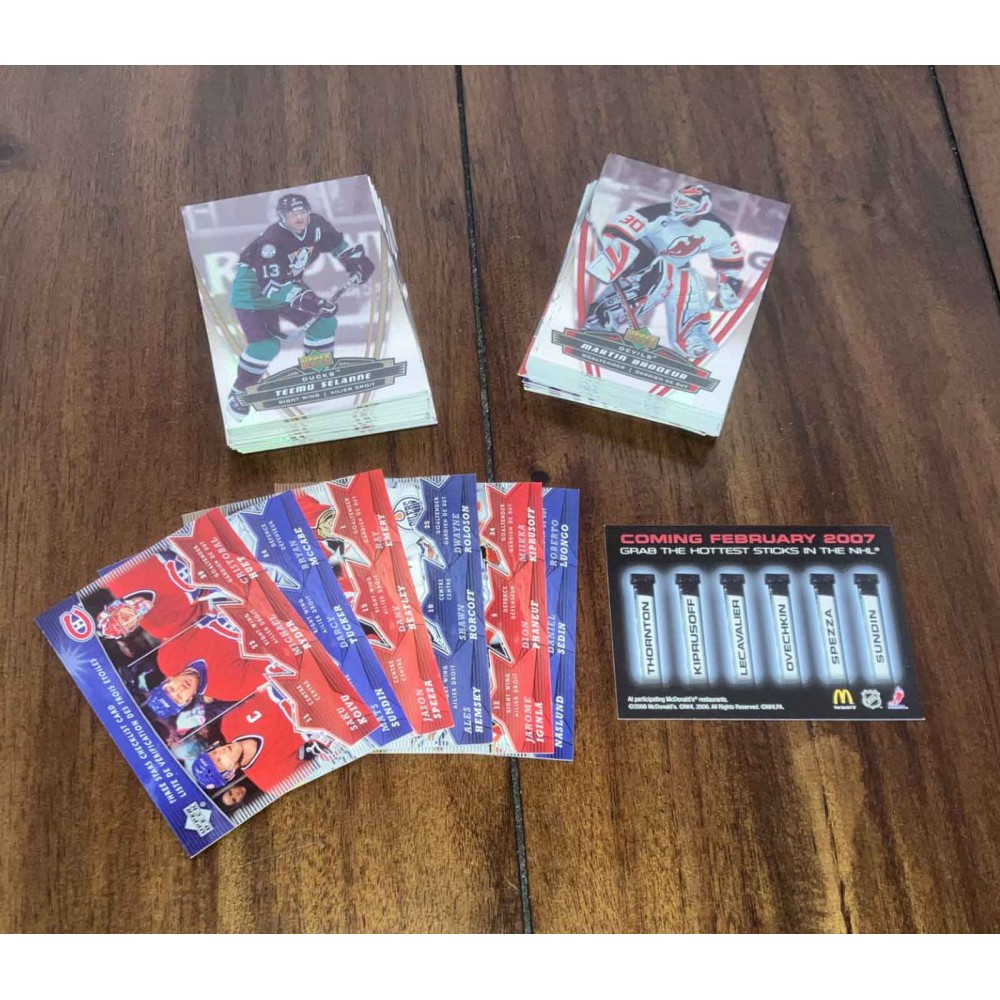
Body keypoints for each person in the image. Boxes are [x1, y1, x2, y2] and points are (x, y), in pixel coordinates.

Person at [227, 193, 375, 417]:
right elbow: (272, 288)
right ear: (282, 216)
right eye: (292, 213)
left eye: (302, 212)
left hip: (287, 284)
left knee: (324, 323)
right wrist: (310, 301)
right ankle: (238, 393)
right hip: (252, 293)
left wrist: (355, 261)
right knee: (266, 347)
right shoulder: (271, 242)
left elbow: (337, 244)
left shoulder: (316, 225)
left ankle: (316, 374)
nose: (299, 217)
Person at [584, 184, 745, 360]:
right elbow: (620, 227)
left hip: (672, 263)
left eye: (686, 204)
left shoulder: (718, 229)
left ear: (702, 207)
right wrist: (617, 254)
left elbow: (731, 262)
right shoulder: (659, 213)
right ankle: (600, 317)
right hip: (642, 254)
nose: (679, 206)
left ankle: (692, 339)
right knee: (660, 277)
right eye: (679, 201)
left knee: (690, 284)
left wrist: (729, 291)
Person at [190, 686, 331, 795]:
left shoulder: (229, 723)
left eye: (214, 753)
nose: (221, 752)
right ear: (229, 774)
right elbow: (325, 761)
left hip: (305, 683)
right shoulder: (269, 781)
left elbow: (266, 685)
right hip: (331, 713)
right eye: (220, 761)